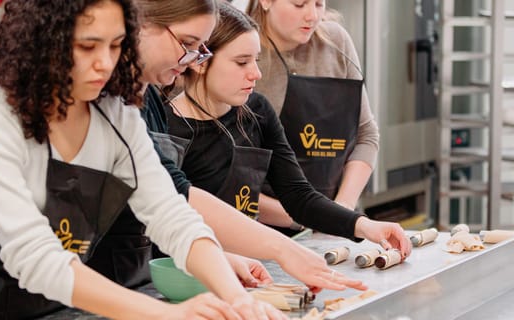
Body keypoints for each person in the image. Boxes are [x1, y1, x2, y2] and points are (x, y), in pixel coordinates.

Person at [0, 1, 280, 319]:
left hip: (52, 308)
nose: (105, 63)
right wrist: (168, 314)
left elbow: (171, 215)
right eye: (88, 46)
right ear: (45, 42)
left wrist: (238, 300)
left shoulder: (117, 117)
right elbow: (37, 260)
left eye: (116, 46)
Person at [133, 0, 379, 293]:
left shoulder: (256, 111)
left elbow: (298, 194)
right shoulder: (164, 120)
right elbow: (174, 204)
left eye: (255, 61)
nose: (255, 75)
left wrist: (359, 224)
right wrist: (276, 248)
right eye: (241, 62)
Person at [246, 0, 379, 235]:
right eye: (299, 4)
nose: (312, 16)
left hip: (336, 226)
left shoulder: (336, 42)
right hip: (264, 230)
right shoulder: (243, 54)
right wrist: (308, 218)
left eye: (319, 4)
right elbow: (225, 173)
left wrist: (342, 210)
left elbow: (366, 135)